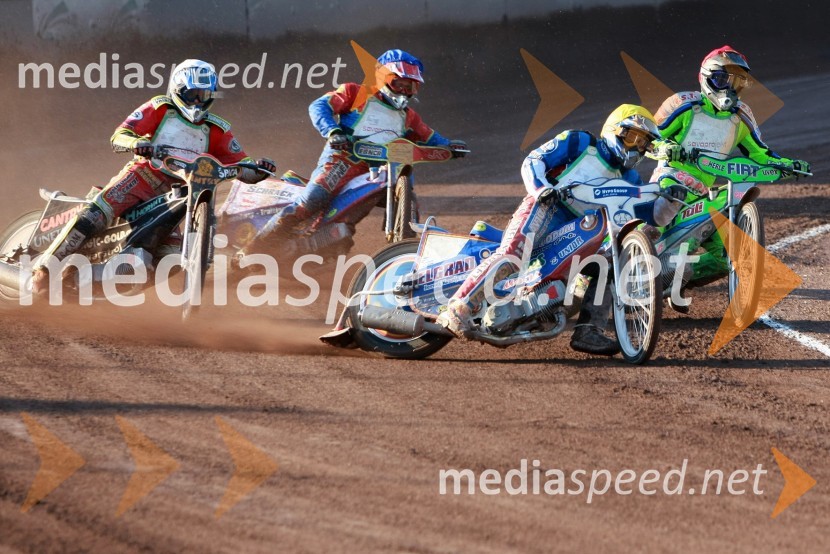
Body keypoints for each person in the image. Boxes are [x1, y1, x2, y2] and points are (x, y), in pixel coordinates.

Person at [31, 59, 275, 293]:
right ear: (178, 91)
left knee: (171, 260)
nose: (198, 103)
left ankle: (84, 281)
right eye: (192, 95)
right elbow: (120, 135)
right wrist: (137, 143)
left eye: (205, 96)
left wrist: (259, 168)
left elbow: (242, 165)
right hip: (140, 178)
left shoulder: (217, 128)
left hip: (178, 195)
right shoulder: (160, 108)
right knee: (95, 215)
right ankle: (43, 269)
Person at [437, 105, 661, 356]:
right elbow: (534, 160)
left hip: (581, 230)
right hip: (546, 206)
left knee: (608, 264)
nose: (635, 147)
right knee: (513, 254)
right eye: (631, 137)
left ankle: (588, 331)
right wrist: (541, 188)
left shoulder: (630, 179)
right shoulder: (579, 142)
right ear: (613, 130)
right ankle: (459, 307)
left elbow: (651, 214)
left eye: (643, 143)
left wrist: (671, 196)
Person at [236, 49, 467, 259]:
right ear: (384, 78)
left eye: (412, 87)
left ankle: (402, 254)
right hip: (343, 159)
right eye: (401, 84)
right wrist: (332, 131)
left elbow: (429, 137)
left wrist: (449, 146)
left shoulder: (409, 117)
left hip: (381, 171)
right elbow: (319, 106)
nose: (406, 92)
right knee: (312, 200)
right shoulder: (355, 93)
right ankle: (252, 250)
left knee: (406, 201)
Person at [649, 45, 811, 309]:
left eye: (737, 81)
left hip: (705, 192)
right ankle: (606, 272)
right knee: (651, 228)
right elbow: (649, 138)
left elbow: (761, 153)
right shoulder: (682, 104)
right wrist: (665, 147)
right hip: (670, 181)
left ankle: (678, 275)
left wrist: (788, 164)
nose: (730, 87)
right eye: (725, 78)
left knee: (725, 258)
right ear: (707, 76)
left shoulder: (741, 115)